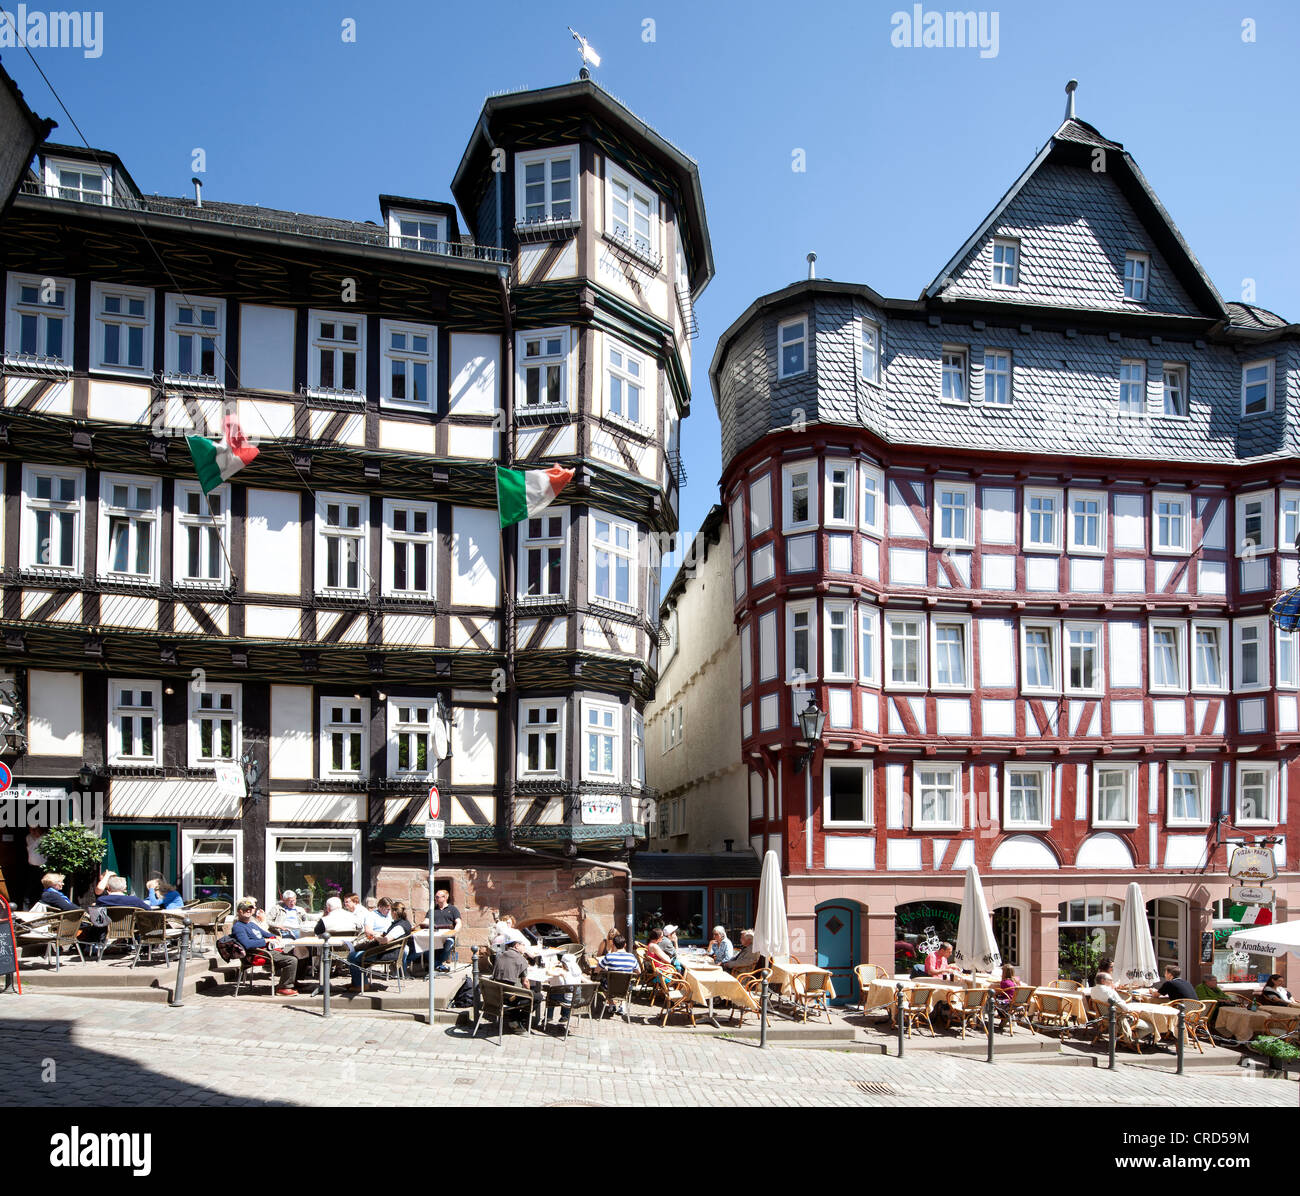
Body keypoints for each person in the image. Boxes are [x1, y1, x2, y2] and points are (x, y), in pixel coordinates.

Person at [231, 899, 299, 995]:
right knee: (292, 960)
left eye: (250, 909)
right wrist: (266, 941)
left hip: (264, 952)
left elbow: (265, 933)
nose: (249, 911)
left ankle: (292, 983)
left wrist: (275, 937)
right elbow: (247, 944)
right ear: (240, 911)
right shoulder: (238, 927)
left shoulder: (251, 924)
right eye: (246, 909)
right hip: (256, 955)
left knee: (293, 953)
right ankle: (284, 988)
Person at [343, 900, 411, 994]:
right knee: (355, 955)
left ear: (394, 912)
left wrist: (375, 936)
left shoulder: (399, 927)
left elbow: (385, 940)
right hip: (388, 951)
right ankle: (356, 983)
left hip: (387, 953)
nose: (389, 913)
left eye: (390, 911)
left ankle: (361, 985)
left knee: (352, 956)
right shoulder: (403, 923)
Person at [1089, 971, 1156, 1043]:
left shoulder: (1093, 990)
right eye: (1110, 980)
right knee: (1151, 1027)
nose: (1112, 982)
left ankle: (1125, 1036)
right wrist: (1133, 1011)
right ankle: (1129, 1039)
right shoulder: (1109, 991)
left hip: (1103, 1018)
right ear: (1103, 981)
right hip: (1117, 1020)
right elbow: (1122, 1005)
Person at [594, 933, 638, 1016]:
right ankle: (623, 1006)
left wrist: (606, 969)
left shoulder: (609, 956)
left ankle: (612, 1004)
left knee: (602, 981)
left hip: (611, 987)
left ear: (613, 945)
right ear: (625, 945)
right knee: (626, 983)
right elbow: (638, 972)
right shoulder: (632, 957)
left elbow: (596, 970)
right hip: (626, 987)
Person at [430, 889, 462, 973]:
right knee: (425, 944)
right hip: (435, 936)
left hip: (448, 936)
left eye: (437, 897)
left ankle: (436, 964)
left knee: (448, 943)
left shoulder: (453, 909)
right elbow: (426, 921)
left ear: (445, 898)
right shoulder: (432, 910)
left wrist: (455, 931)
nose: (436, 899)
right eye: (435, 897)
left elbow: (458, 922)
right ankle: (438, 965)